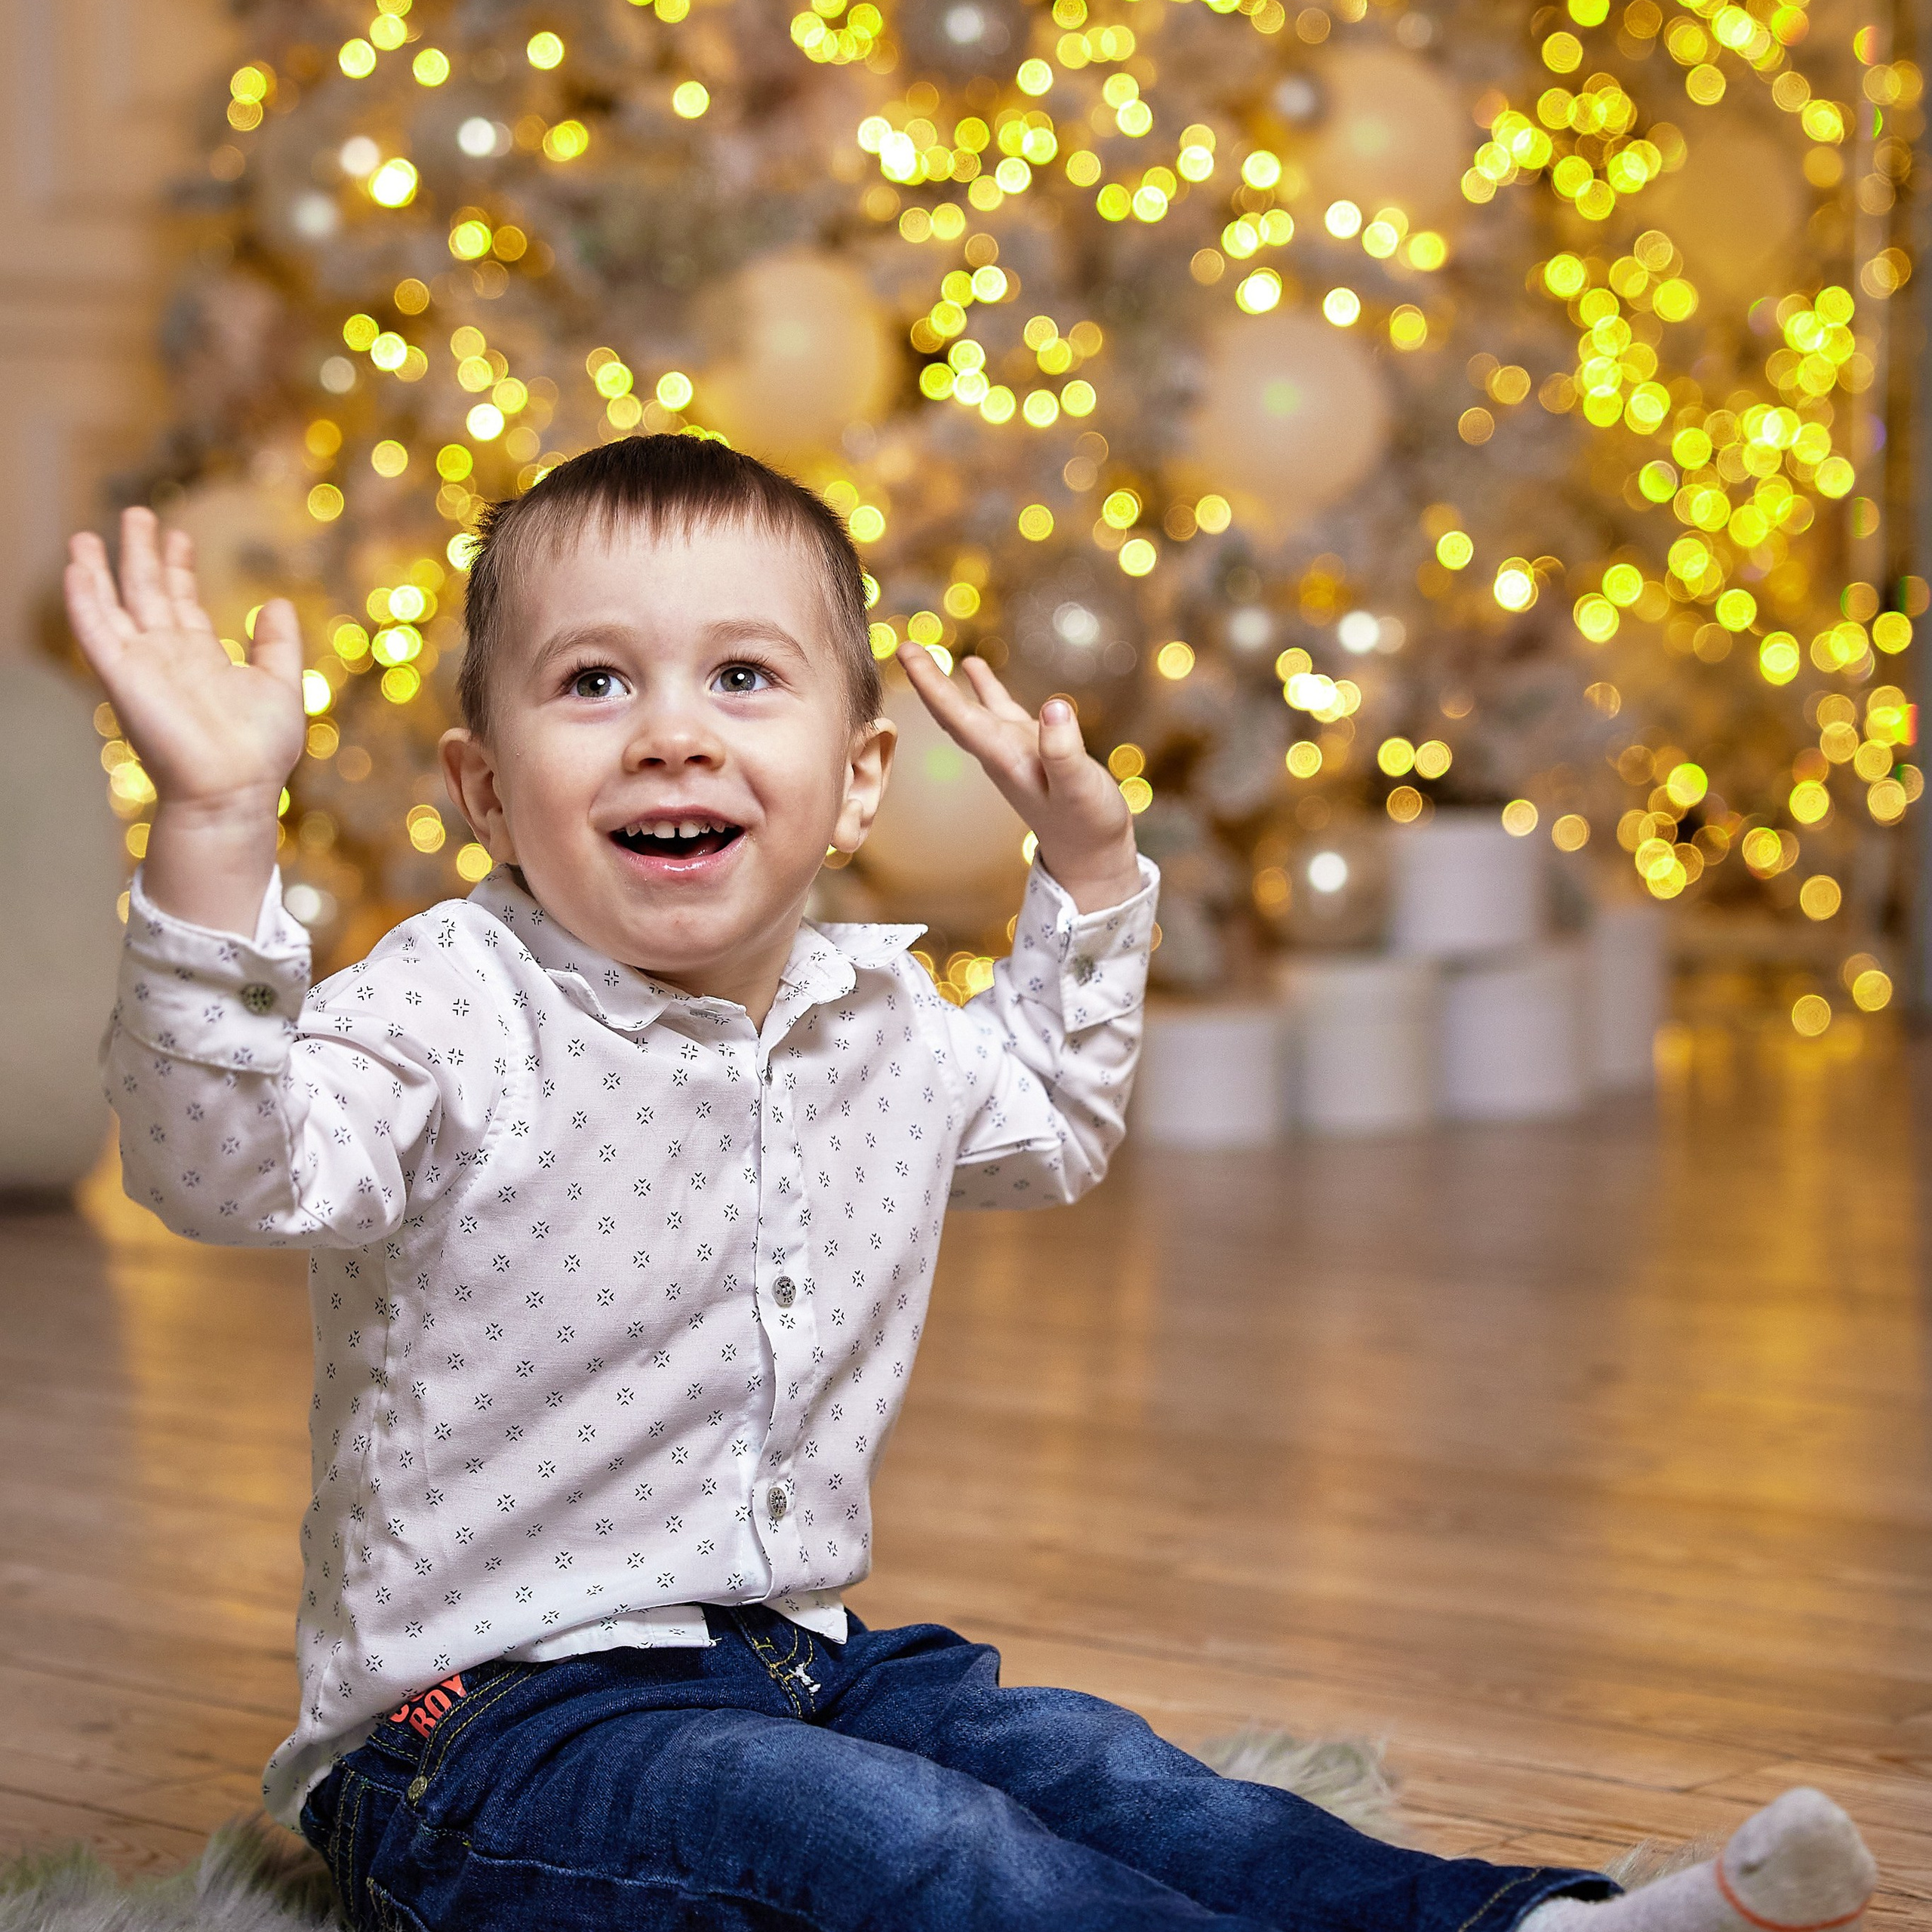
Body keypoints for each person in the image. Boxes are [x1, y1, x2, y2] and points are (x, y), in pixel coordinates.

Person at [68, 435, 1876, 1932]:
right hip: (488, 1739)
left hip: (796, 1651)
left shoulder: (878, 1013)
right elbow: (228, 1165)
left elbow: (1050, 1127)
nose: (672, 732)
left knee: (1107, 1773)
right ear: (483, 783)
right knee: (925, 1856)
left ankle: (1524, 1926)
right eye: (592, 679)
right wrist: (220, 829)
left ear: (856, 779)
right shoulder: (455, 1001)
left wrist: (1087, 868)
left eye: (742, 677)